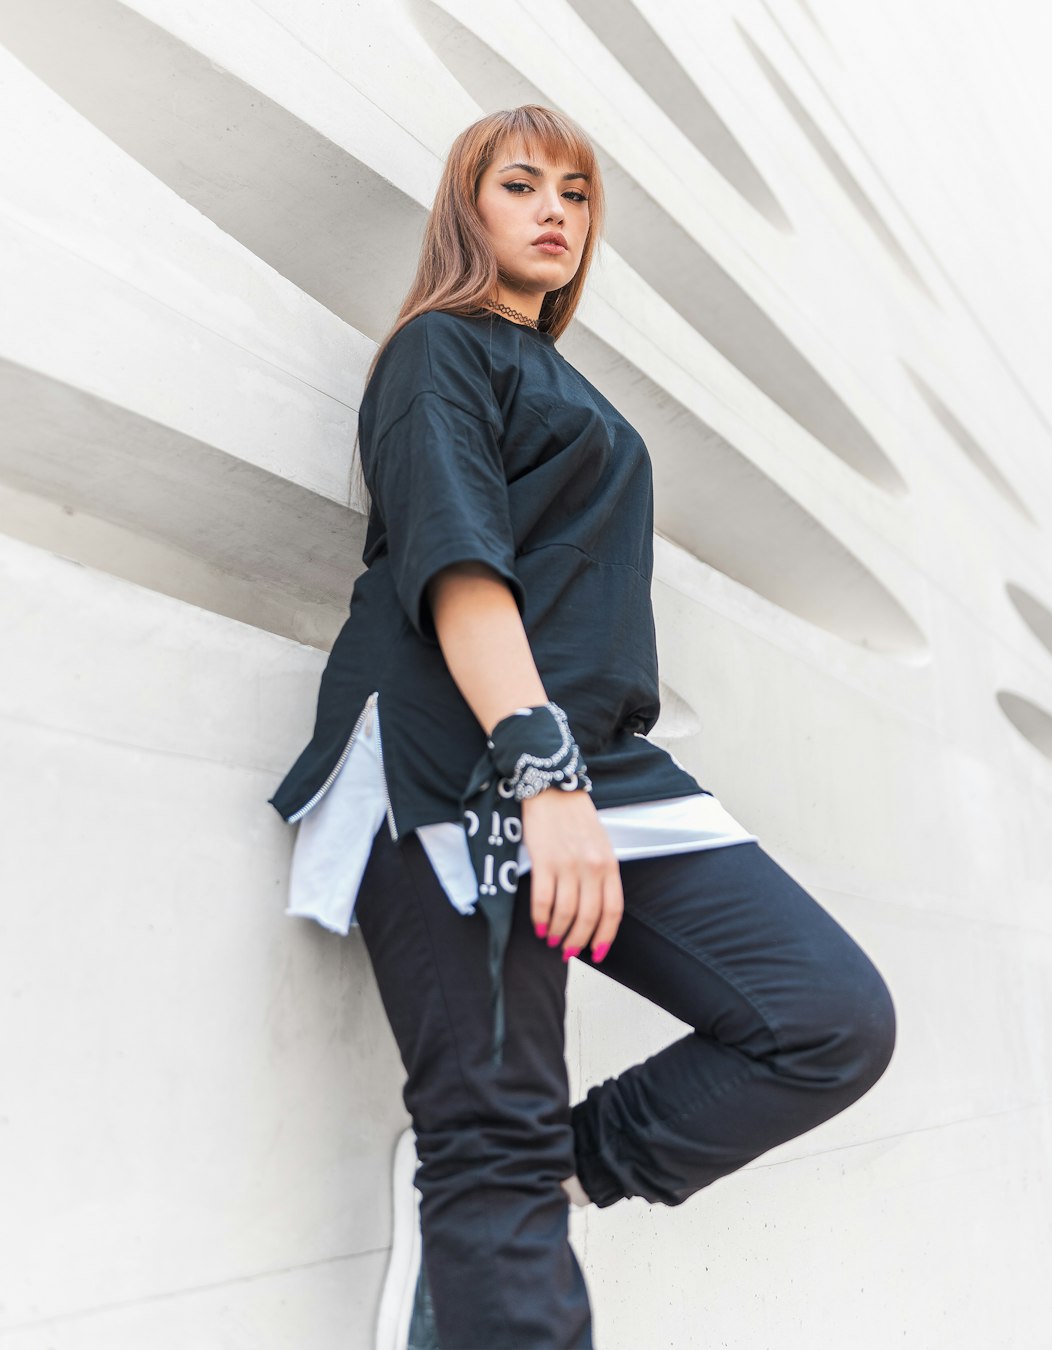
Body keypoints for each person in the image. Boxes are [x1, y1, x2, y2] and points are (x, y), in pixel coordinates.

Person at [267, 104, 897, 1350]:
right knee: (489, 1132)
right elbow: (459, 572)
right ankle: (496, 1190)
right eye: (520, 184)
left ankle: (540, 1179)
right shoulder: (438, 352)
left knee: (830, 1016)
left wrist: (574, 774)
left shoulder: (562, 381)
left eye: (578, 192)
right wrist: (541, 775)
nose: (556, 209)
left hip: (600, 761)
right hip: (458, 758)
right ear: (468, 209)